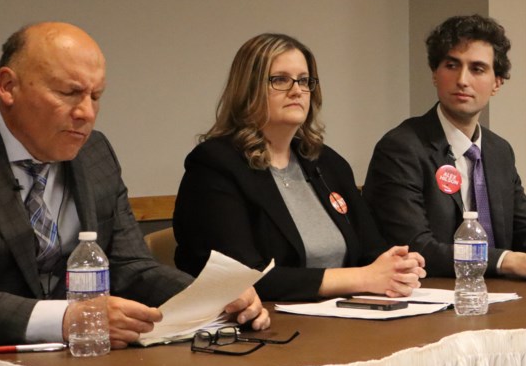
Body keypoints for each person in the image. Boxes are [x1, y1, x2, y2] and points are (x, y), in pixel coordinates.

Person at [0, 22, 268, 350]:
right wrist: (67, 320)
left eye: (95, 96)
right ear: (8, 86)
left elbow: (129, 265)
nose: (86, 113)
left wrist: (210, 297)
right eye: (68, 93)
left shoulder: (94, 153)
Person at [363, 15, 526, 281]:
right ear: (434, 74)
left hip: (497, 297)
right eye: (451, 65)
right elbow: (415, 248)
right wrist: (505, 260)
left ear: (497, 82)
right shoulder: (401, 148)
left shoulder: (498, 151)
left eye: (477, 69)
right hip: (431, 296)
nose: (462, 80)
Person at [173, 33, 425, 301]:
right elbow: (243, 277)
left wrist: (397, 267)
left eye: (304, 81)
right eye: (280, 80)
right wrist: (362, 277)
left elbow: (371, 250)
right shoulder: (216, 165)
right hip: (270, 324)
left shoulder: (328, 163)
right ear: (249, 89)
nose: (297, 90)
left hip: (345, 317)